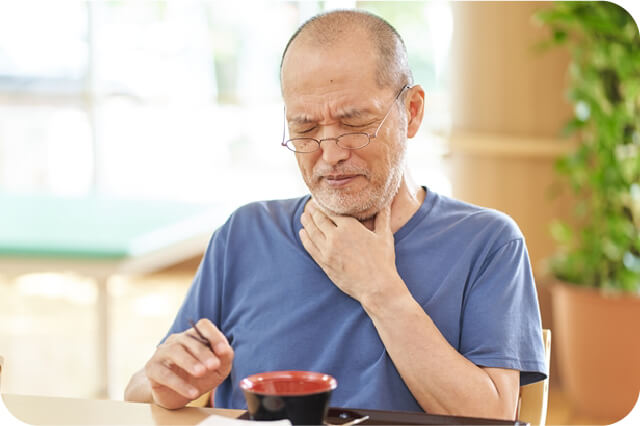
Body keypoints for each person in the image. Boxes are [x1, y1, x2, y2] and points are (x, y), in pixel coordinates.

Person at [125, 10, 547, 420]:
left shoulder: (487, 242)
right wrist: (163, 384)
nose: (329, 153)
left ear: (412, 112)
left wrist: (380, 290)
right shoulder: (245, 234)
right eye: (305, 128)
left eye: (353, 122)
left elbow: (492, 415)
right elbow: (143, 386)